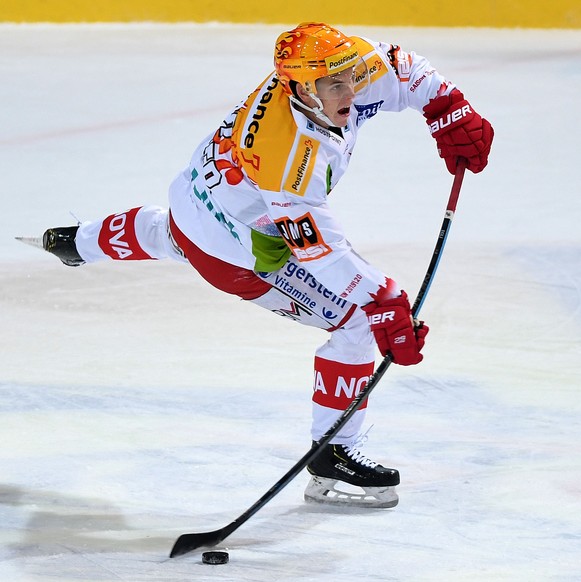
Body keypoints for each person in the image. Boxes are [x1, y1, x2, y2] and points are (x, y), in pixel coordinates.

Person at [39, 22, 493, 508]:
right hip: (234, 254)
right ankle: (331, 455)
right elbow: (318, 250)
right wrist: (380, 299)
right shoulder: (287, 159)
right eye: (334, 85)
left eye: (350, 77)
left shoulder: (333, 71)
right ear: (300, 88)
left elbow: (403, 68)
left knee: (171, 233)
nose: (350, 91)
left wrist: (447, 107)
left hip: (194, 203)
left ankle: (76, 244)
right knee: (358, 321)